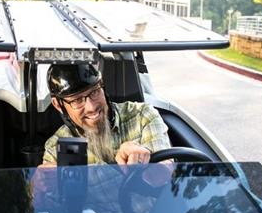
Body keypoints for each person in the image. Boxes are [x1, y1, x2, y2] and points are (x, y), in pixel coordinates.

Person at [41, 63, 171, 166]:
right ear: (58, 104)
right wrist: (39, 186)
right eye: (77, 100)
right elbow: (45, 195)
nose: (91, 107)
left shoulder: (142, 116)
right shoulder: (55, 148)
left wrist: (143, 158)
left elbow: (166, 175)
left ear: (102, 87)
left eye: (94, 92)